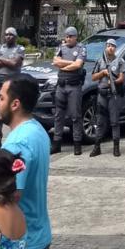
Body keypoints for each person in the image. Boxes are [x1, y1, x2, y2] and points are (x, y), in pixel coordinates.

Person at [0, 74, 52, 249]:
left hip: (24, 243)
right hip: (39, 233)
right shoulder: (37, 129)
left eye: (2, 98)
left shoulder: (16, 144)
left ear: (15, 104)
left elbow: (12, 195)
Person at [50, 26, 87, 155]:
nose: (68, 39)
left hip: (74, 86)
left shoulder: (81, 48)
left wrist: (63, 65)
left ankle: (77, 143)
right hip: (61, 86)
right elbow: (55, 61)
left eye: (70, 36)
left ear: (76, 37)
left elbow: (78, 65)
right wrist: (69, 64)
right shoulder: (61, 47)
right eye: (66, 36)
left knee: (75, 115)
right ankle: (57, 143)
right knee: (58, 115)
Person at [0, 27, 25, 147]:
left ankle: (15, 137)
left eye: (11, 35)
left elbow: (15, 64)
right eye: (6, 35)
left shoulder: (19, 49)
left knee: (14, 111)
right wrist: (6, 61)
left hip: (13, 84)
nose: (8, 36)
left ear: (15, 37)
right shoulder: (0, 48)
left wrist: (0, 60)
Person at [89, 39, 125, 157]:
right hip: (102, 94)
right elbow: (94, 77)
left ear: (115, 48)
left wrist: (114, 81)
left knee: (114, 122)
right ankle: (97, 146)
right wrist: (103, 73)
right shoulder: (100, 61)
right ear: (105, 47)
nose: (110, 48)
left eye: (113, 46)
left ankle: (116, 147)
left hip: (113, 94)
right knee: (100, 122)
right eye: (108, 46)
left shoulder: (119, 61)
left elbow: (121, 77)